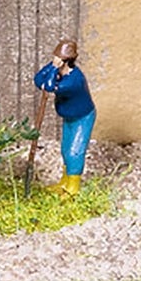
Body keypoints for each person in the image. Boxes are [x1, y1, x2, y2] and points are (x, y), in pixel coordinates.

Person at [33, 39, 95, 195]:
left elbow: (48, 86)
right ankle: (64, 181)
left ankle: (73, 188)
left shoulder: (74, 80)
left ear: (65, 61)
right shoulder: (58, 70)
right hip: (69, 117)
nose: (54, 61)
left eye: (58, 59)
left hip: (82, 118)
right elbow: (38, 79)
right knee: (65, 149)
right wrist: (52, 70)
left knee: (75, 152)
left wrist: (53, 70)